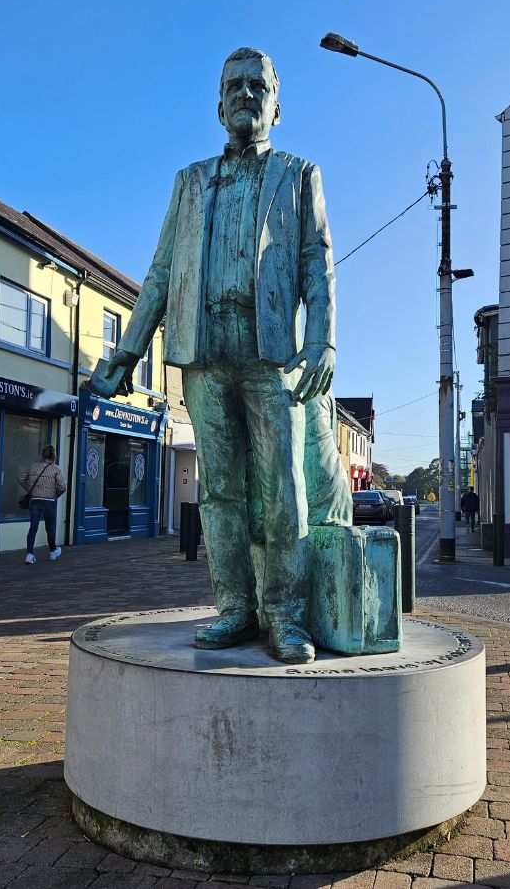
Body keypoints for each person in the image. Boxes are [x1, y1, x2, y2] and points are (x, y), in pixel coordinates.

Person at [88, 47, 335, 665]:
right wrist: (127, 351)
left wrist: (322, 338)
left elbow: (316, 261)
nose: (245, 94)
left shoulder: (298, 174)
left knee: (281, 491)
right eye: (233, 86)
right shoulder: (191, 180)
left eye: (257, 85)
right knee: (220, 489)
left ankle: (283, 614)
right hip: (202, 347)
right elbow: (163, 270)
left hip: (268, 349)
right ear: (217, 103)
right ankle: (234, 607)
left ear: (278, 104)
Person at [20, 444, 66, 564]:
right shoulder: (56, 469)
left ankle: (29, 555)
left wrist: (30, 490)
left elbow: (21, 479)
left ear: (42, 454)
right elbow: (62, 487)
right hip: (49, 502)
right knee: (50, 529)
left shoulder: (33, 466)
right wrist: (55, 495)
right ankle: (52, 552)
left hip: (35, 501)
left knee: (32, 528)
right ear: (54, 455)